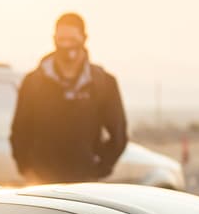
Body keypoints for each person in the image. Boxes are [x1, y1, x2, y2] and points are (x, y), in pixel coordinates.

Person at [9, 12, 127, 185]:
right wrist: (27, 170)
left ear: (84, 38)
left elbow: (118, 134)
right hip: (42, 182)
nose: (66, 45)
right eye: (61, 39)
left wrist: (100, 168)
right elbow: (19, 131)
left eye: (72, 40)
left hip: (85, 182)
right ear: (54, 39)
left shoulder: (103, 83)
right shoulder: (34, 82)